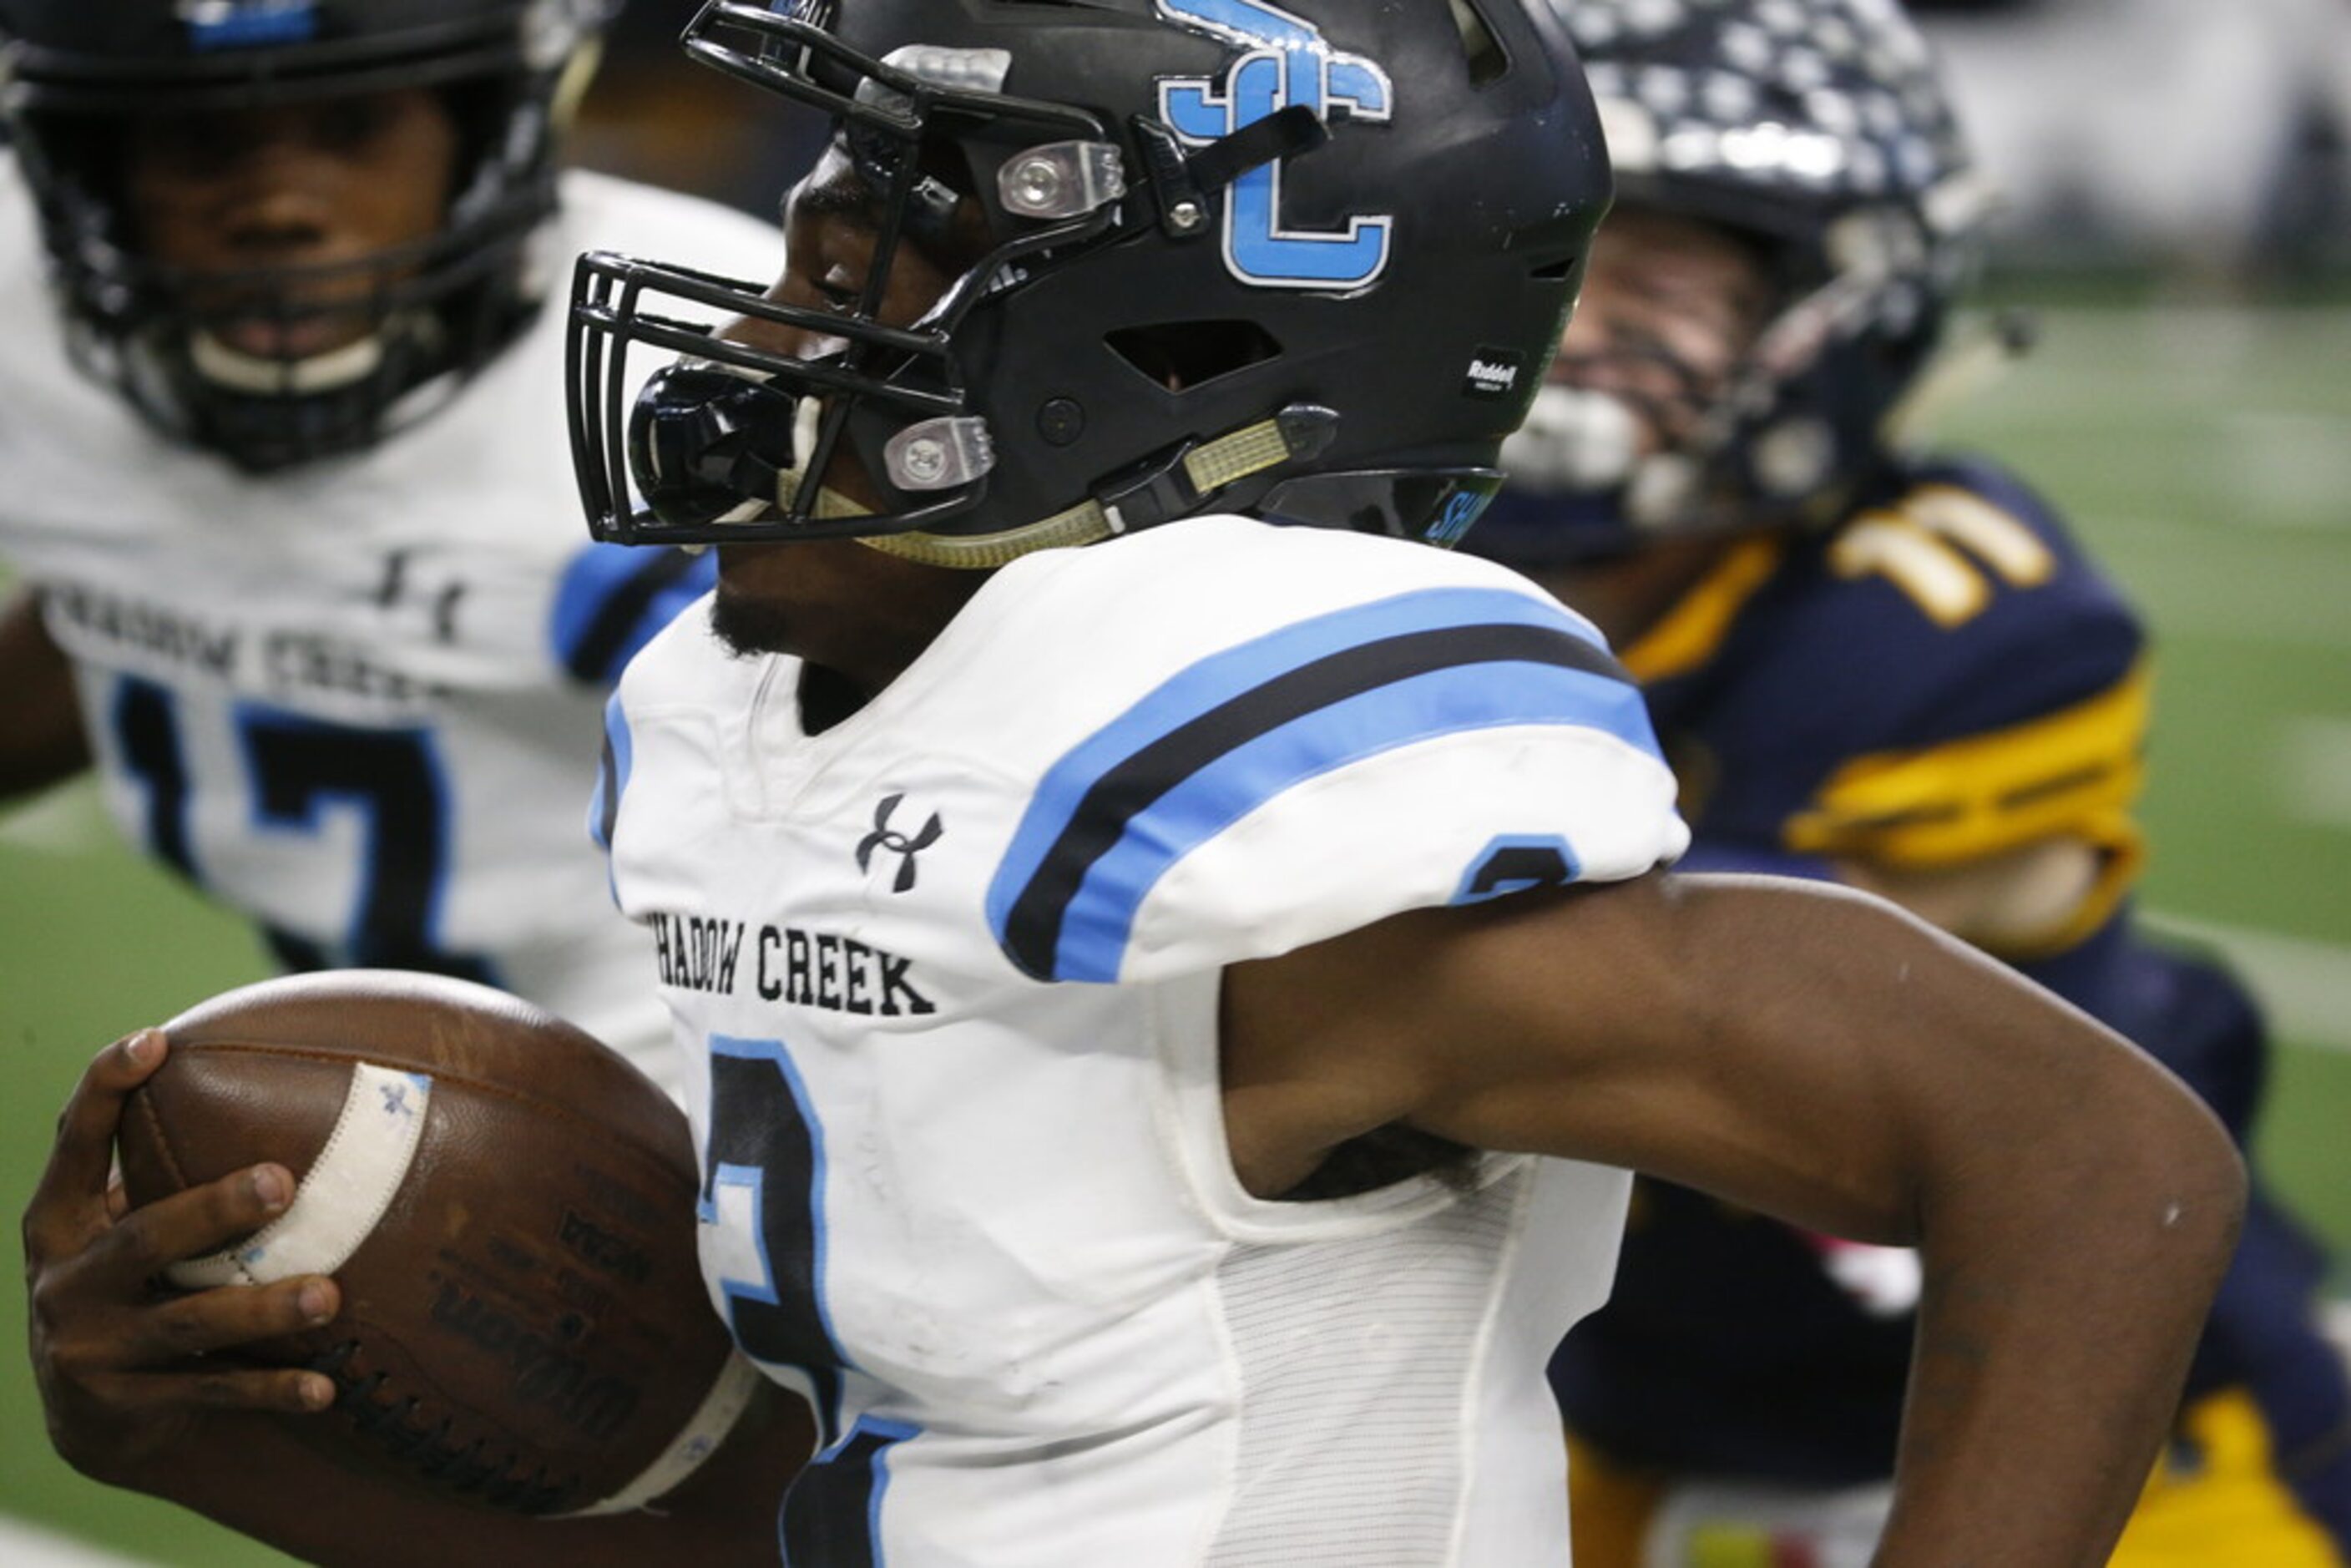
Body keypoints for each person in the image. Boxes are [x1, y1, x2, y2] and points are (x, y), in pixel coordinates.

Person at [24, 3, 2247, 1563]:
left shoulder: (1241, 840)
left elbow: (2087, 1151)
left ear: (1157, 371)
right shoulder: (745, 724)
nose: (754, 341)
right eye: (800, 247)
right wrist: (186, 1436)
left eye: (854, 277)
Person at [1457, 3, 2351, 1565]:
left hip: (2072, 1408)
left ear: (1846, 306)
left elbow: (1636, 999)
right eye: (1552, 249)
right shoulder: (1378, 549)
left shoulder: (1950, 623)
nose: (1581, 318)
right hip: (1614, 1392)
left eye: (1665, 271)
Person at [0, 0, 782, 1093]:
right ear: (88, 168)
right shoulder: (26, 327)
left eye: (355, 126)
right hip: (351, 1080)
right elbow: (129, 581)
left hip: (711, 1070)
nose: (276, 207)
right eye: (198, 141)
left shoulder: (709, 359)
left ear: (488, 126)